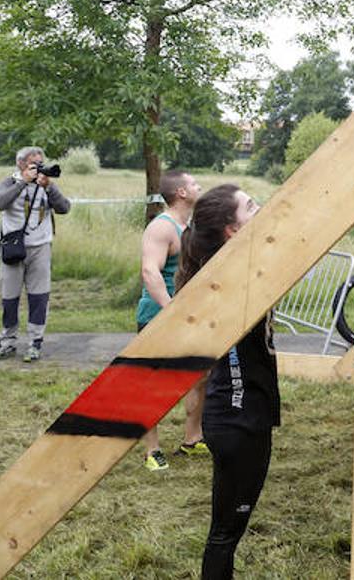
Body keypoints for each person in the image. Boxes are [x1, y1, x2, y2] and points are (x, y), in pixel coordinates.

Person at [176, 185, 275, 580]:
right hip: (237, 418)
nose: (261, 208)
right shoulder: (229, 281)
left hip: (250, 413)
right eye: (251, 206)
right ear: (232, 231)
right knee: (224, 533)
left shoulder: (245, 266)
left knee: (230, 530)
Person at [137, 169, 207, 471]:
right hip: (159, 316)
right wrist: (170, 311)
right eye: (193, 183)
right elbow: (150, 272)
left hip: (190, 316)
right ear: (180, 192)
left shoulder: (192, 225)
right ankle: (152, 450)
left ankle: (192, 439)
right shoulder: (161, 228)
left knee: (199, 377)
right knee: (155, 385)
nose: (198, 186)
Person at [0, 146, 71, 362]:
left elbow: (65, 208)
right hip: (13, 247)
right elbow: (0, 203)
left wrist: (50, 187)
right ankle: (7, 341)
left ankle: (35, 342)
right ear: (21, 164)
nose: (38, 167)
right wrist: (23, 182)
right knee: (9, 297)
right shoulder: (10, 181)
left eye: (40, 162)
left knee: (39, 296)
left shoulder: (45, 185)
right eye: (33, 163)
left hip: (41, 247)